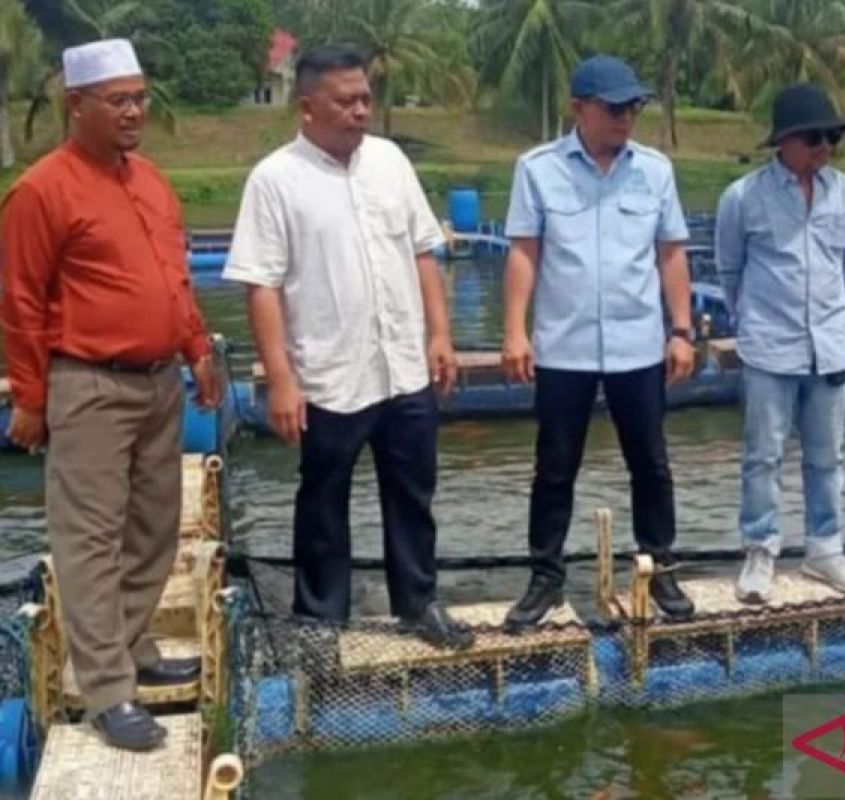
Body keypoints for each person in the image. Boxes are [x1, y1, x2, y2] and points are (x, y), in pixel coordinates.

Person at [0, 39, 221, 751]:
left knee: (155, 525)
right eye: (118, 101)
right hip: (87, 383)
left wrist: (198, 349)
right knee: (90, 537)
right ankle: (107, 691)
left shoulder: (152, 181)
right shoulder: (42, 189)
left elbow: (174, 277)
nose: (135, 112)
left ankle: (131, 651)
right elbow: (19, 300)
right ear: (77, 106)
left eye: (140, 98)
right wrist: (30, 399)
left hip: (160, 380)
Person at [222, 45, 472, 649]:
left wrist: (440, 336)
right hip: (331, 374)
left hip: (403, 367)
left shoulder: (389, 162)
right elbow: (263, 284)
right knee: (323, 499)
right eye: (346, 100)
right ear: (307, 107)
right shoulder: (275, 179)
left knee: (414, 493)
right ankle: (320, 619)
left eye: (366, 97)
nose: (361, 110)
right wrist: (280, 378)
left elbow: (422, 251)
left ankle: (419, 603)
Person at [501, 55, 695, 630]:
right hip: (564, 347)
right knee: (555, 467)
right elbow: (524, 252)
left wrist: (680, 330)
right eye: (613, 108)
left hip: (639, 344)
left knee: (652, 465)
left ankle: (659, 566)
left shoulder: (655, 171)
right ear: (578, 108)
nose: (625, 118)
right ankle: (545, 576)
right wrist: (514, 330)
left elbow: (671, 252)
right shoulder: (537, 169)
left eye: (632, 107)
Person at [715, 84, 845, 603]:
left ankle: (825, 549)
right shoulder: (743, 197)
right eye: (813, 137)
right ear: (784, 141)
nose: (824, 147)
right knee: (762, 455)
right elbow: (729, 267)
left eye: (832, 137)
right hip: (769, 345)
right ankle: (761, 551)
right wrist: (754, 320)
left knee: (827, 456)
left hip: (830, 343)